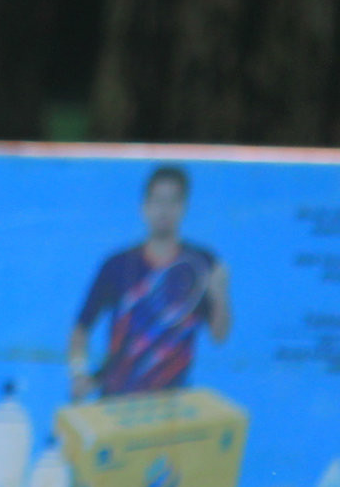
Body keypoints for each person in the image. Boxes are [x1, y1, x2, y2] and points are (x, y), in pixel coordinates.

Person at [68, 164, 231, 399]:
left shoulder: (203, 263)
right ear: (144, 207)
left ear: (183, 208)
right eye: (157, 201)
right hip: (116, 401)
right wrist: (78, 374)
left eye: (172, 202)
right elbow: (81, 329)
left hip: (173, 408)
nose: (163, 210)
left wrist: (220, 295)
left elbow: (219, 336)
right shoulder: (116, 265)